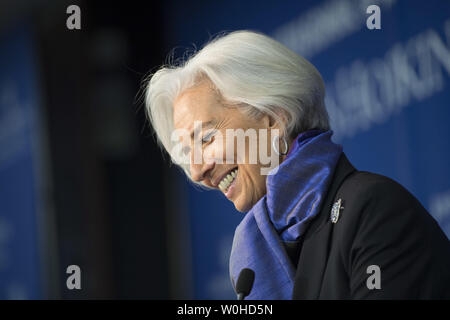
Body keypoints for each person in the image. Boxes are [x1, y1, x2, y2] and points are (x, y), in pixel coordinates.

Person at [144, 30, 450, 299]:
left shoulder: (374, 210)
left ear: (274, 119)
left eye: (206, 138)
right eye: (187, 153)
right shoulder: (253, 257)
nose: (198, 171)